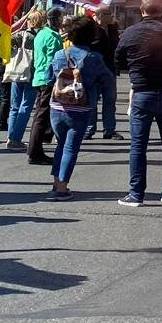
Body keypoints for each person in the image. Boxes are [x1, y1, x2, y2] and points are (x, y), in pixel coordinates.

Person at [115, 0, 162, 205]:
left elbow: (118, 59)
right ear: (160, 10)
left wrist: (135, 67)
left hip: (142, 92)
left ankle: (136, 194)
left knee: (138, 145)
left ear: (141, 10)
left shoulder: (130, 33)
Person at [45, 15, 115, 198]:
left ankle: (56, 182)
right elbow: (107, 81)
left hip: (57, 106)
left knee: (60, 144)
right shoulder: (94, 58)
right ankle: (62, 187)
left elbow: (48, 78)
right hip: (81, 108)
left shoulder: (60, 54)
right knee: (70, 148)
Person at [24, 9, 66, 167]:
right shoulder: (53, 37)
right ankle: (35, 152)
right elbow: (53, 61)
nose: (62, 21)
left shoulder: (41, 33)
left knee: (39, 116)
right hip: (48, 79)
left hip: (39, 76)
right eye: (61, 18)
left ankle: (35, 150)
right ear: (55, 20)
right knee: (41, 117)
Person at [3, 11, 41, 151]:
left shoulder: (21, 34)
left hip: (17, 71)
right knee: (26, 106)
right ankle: (16, 139)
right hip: (32, 72)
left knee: (15, 106)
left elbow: (5, 38)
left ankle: (11, 136)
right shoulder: (40, 36)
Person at [85, 6, 121, 140]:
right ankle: (89, 129)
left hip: (110, 70)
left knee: (110, 101)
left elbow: (116, 46)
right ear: (99, 15)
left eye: (111, 14)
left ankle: (109, 130)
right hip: (94, 71)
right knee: (92, 102)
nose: (111, 16)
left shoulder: (113, 29)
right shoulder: (91, 28)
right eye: (108, 14)